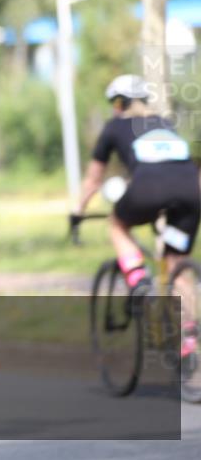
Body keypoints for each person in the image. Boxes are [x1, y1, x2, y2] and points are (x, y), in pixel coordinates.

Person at [74, 74, 200, 358]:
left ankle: (139, 280)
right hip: (190, 192)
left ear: (119, 103)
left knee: (117, 224)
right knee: (177, 264)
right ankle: (188, 335)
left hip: (148, 190)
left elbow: (94, 179)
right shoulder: (166, 124)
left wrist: (77, 211)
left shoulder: (114, 126)